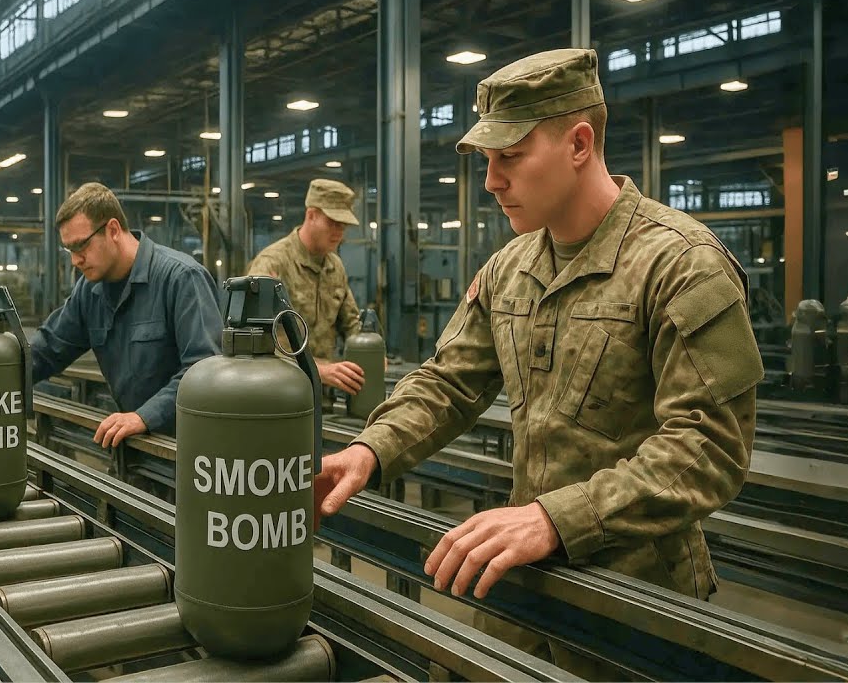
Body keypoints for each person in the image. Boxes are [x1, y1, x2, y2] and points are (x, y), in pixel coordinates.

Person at [312, 49, 763, 676]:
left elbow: (709, 445)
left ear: (579, 143)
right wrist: (369, 449)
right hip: (521, 585)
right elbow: (448, 382)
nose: (492, 180)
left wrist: (558, 518)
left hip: (636, 605)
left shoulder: (680, 265)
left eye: (509, 157)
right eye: (488, 161)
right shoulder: (511, 269)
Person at [28, 182, 221, 445]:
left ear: (113, 229)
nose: (75, 260)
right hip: (133, 451)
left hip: (187, 454)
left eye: (81, 246)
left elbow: (204, 371)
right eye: (69, 250)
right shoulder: (89, 291)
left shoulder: (181, 279)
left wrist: (145, 416)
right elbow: (48, 350)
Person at [246, 178, 369, 398]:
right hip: (278, 395)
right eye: (332, 222)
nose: (339, 232)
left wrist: (371, 351)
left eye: (343, 225)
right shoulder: (272, 264)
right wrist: (317, 370)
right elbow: (251, 342)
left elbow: (351, 324)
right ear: (311, 215)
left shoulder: (335, 267)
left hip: (322, 397)